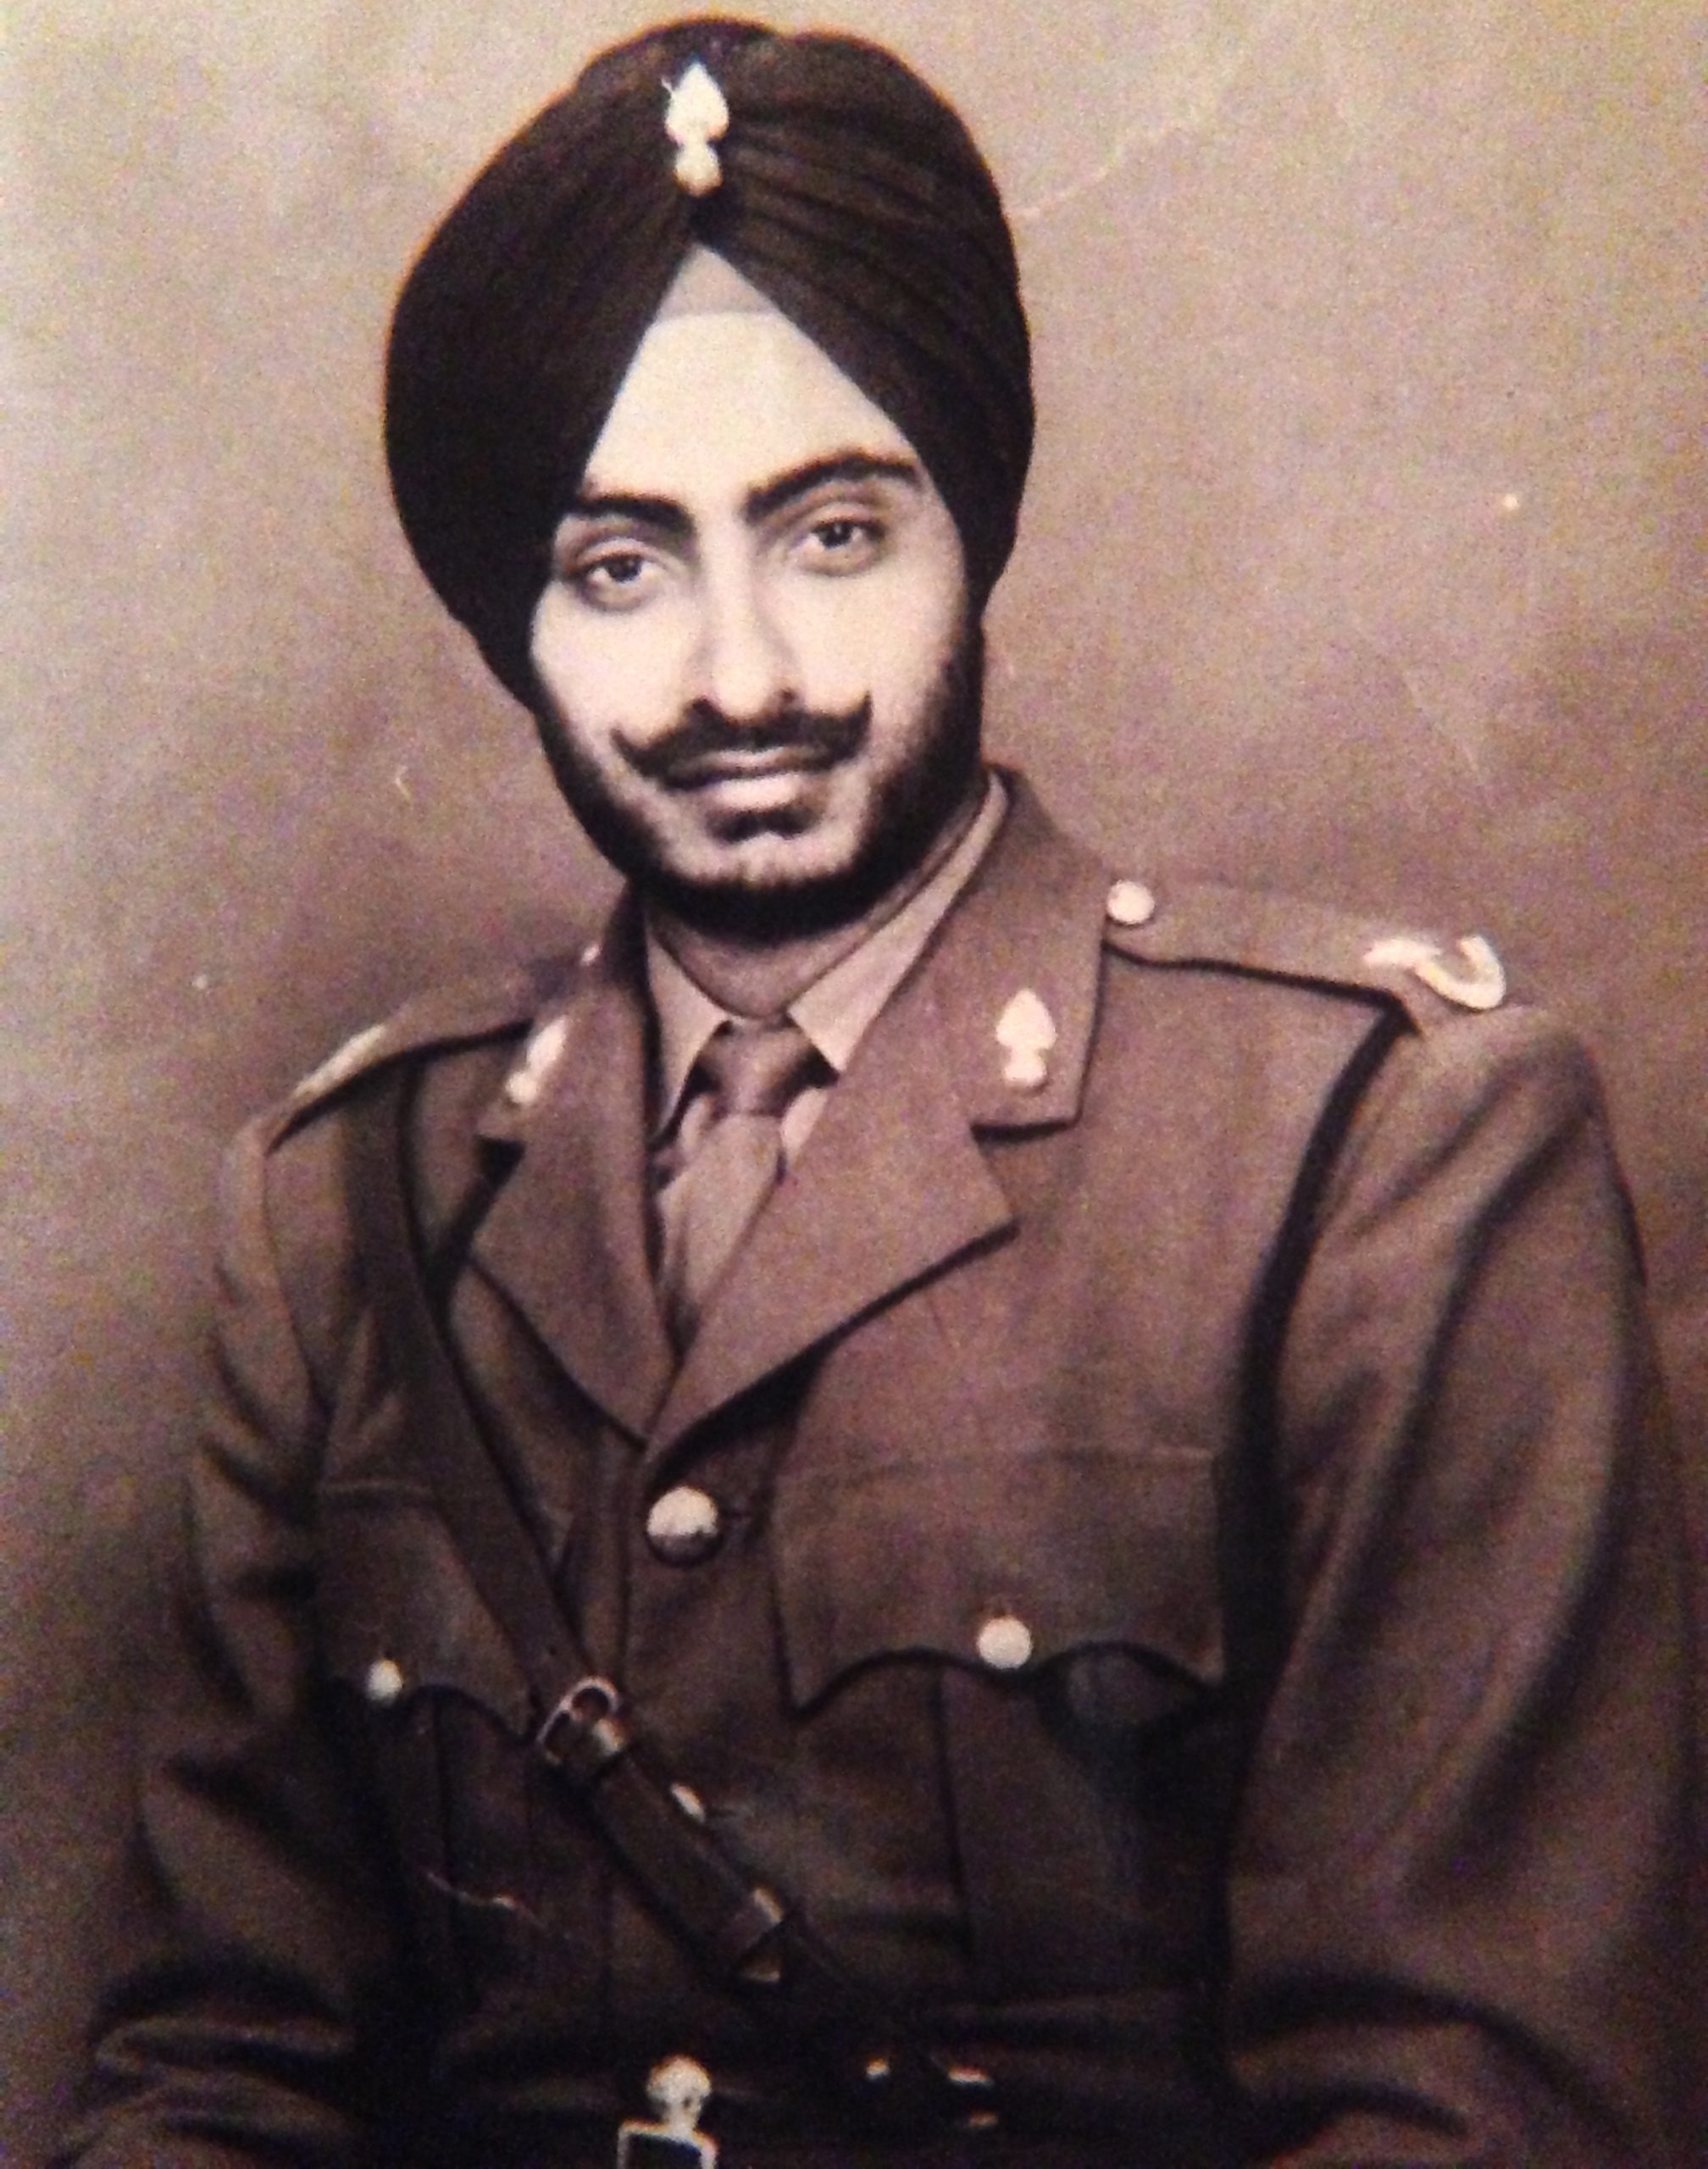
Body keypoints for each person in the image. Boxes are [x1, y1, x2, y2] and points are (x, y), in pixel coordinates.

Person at [60, 17, 1694, 2167]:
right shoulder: (343, 1202)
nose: (739, 675)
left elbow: (1476, 2106)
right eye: (620, 565)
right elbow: (221, 2066)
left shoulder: (1380, 1154)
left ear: (972, 531)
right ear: (509, 620)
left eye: (833, 532)